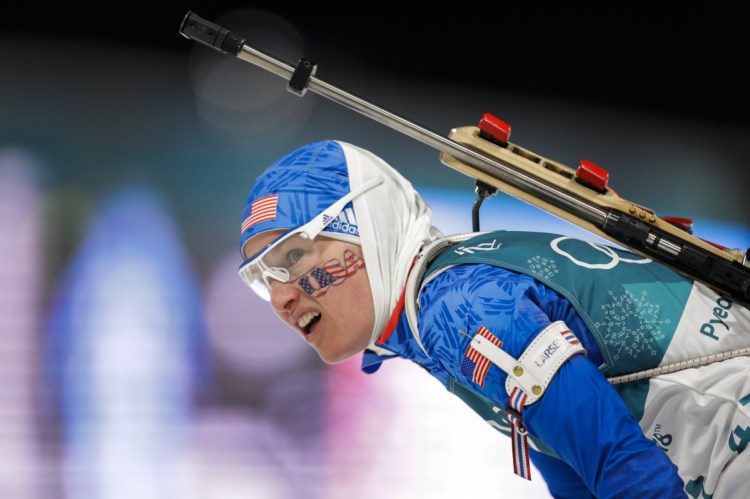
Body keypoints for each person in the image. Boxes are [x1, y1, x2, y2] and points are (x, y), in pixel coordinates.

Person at [237, 139, 750, 498]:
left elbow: (622, 465)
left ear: (365, 224)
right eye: (262, 276)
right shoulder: (441, 302)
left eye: (292, 257)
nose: (280, 296)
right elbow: (573, 468)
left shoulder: (457, 308)